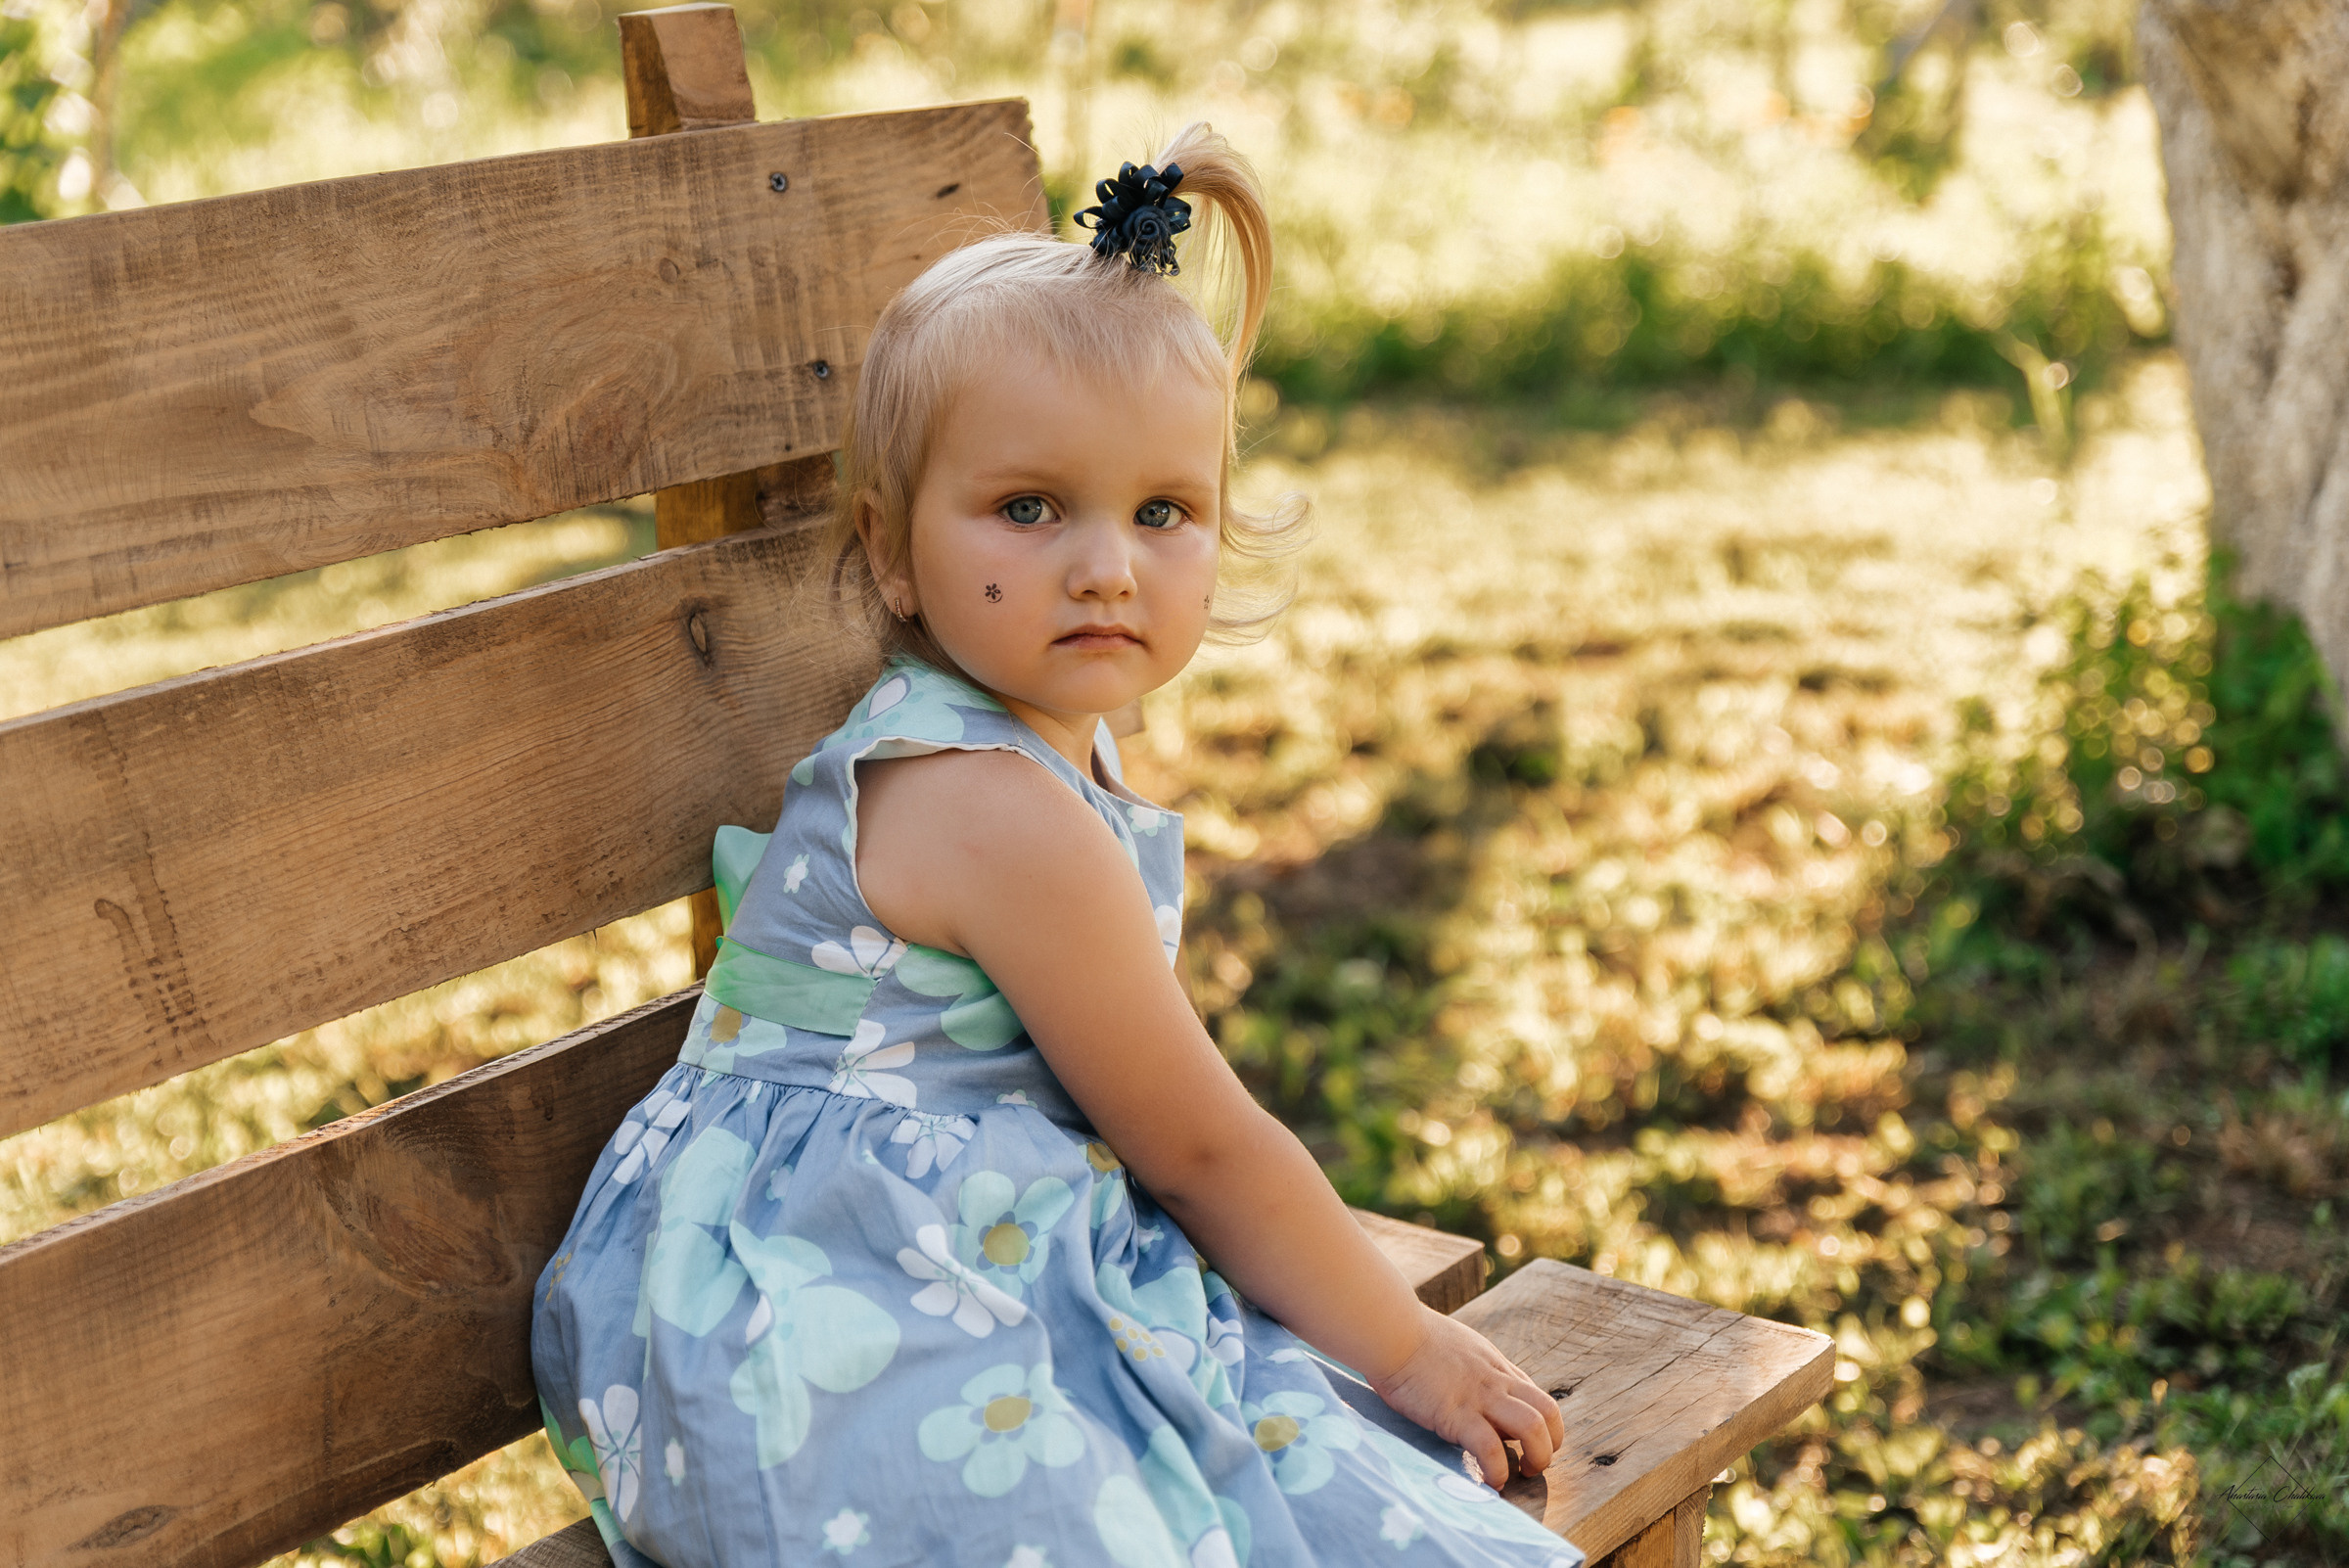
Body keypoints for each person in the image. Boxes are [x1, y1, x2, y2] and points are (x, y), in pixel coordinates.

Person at [532, 122, 1582, 1568]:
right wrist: (1410, 1350)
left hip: (894, 1238)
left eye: (1163, 512)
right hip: (803, 1307)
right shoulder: (992, 806)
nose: (1105, 566)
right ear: (891, 551)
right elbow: (1200, 1147)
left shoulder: (1029, 748)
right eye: (1029, 509)